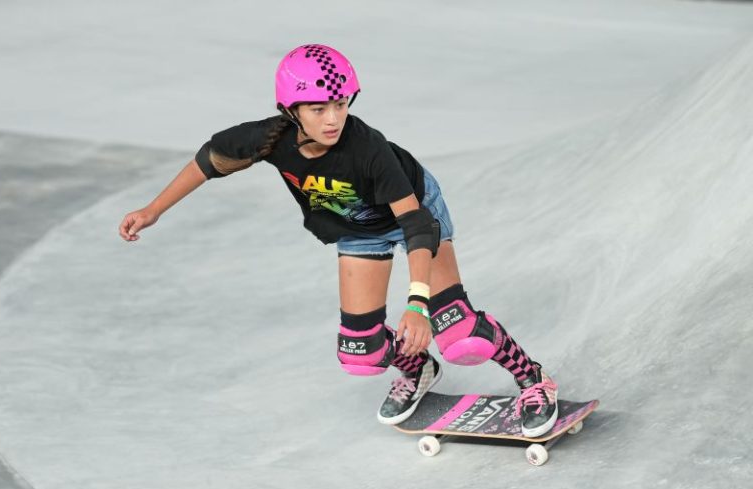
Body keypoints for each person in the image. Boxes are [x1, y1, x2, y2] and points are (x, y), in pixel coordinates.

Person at [118, 43, 558, 437]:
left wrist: (417, 305)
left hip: (415, 211)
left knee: (460, 334)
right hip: (358, 231)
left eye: (340, 104)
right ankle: (418, 368)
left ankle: (532, 378)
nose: (333, 119)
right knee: (360, 351)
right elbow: (207, 162)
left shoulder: (367, 147)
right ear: (290, 110)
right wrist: (153, 210)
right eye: (317, 109)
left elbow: (417, 225)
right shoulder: (268, 139)